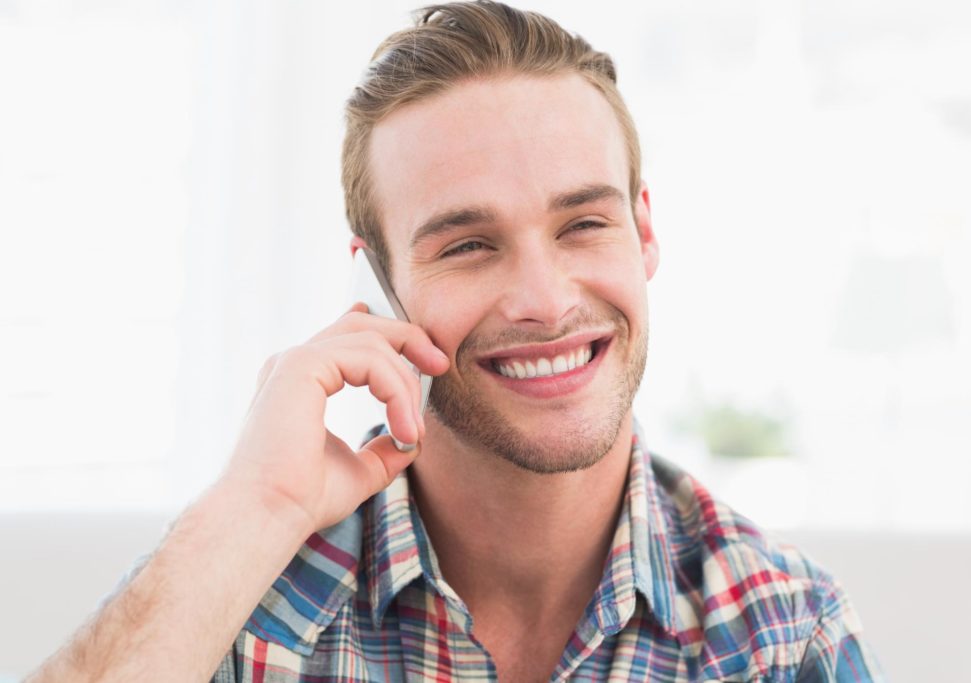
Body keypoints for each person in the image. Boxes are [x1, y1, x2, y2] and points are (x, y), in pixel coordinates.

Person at [29, 2, 885, 681]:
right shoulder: (238, 594)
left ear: (643, 231)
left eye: (584, 222)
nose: (545, 301)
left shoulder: (781, 633)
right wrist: (256, 510)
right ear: (380, 283)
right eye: (468, 245)